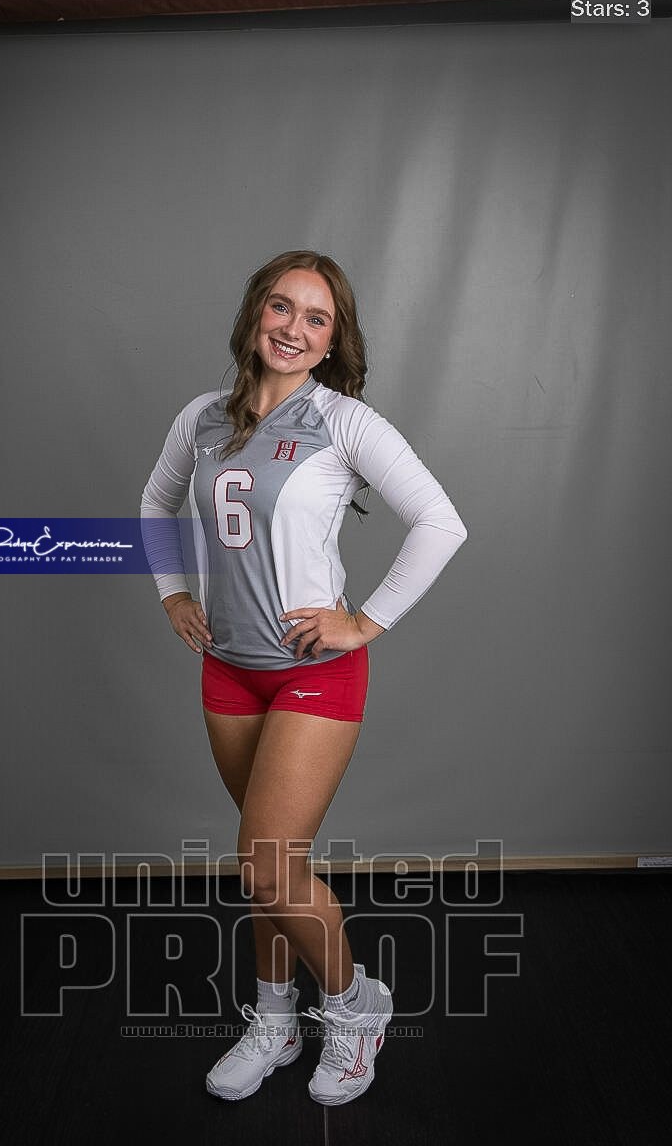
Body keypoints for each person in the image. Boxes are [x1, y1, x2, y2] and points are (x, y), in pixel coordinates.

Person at [140, 249, 468, 1105]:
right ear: (256, 312)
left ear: (332, 340)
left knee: (265, 864)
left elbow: (441, 522)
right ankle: (276, 1019)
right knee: (270, 866)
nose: (293, 328)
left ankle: (356, 1008)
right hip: (229, 670)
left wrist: (365, 621)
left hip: (313, 674)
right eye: (281, 307)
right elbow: (155, 502)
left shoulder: (343, 421)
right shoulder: (201, 417)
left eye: (316, 318)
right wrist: (173, 591)